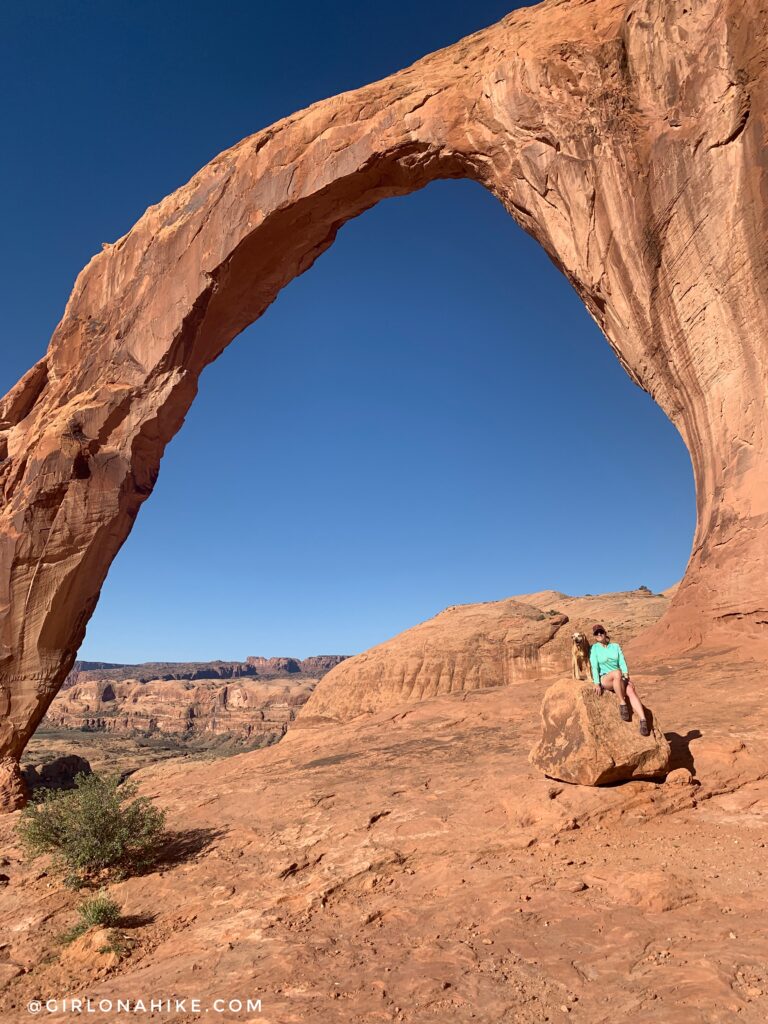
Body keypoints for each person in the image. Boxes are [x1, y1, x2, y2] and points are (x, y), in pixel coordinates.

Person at [589, 623, 650, 736]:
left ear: (605, 633)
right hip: (606, 679)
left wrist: (626, 676)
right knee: (617, 672)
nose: (599, 634)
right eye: (596, 633)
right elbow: (594, 666)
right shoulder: (594, 649)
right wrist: (596, 683)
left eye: (601, 632)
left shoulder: (615, 646)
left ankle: (643, 721)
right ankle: (623, 704)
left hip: (618, 678)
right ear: (594, 636)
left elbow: (622, 661)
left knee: (631, 690)